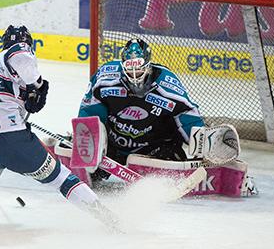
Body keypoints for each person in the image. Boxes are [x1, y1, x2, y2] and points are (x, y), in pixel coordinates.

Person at [0, 25, 116, 230]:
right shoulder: (17, 51)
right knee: (61, 178)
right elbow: (22, 57)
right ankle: (107, 217)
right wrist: (36, 84)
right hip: (9, 138)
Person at [78, 38, 205, 169]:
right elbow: (89, 109)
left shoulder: (167, 85)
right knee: (90, 172)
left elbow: (188, 114)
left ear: (148, 65)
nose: (134, 75)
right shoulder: (105, 78)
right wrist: (87, 140)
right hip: (112, 147)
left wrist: (200, 148)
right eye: (129, 69)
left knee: (167, 176)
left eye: (138, 69)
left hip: (154, 150)